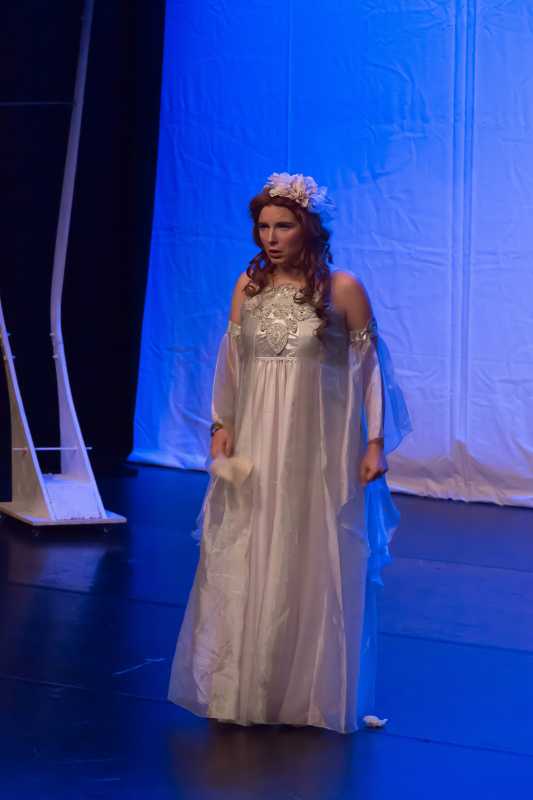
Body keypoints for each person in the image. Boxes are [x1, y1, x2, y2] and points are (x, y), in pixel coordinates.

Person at [168, 172, 411, 733]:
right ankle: (246, 687)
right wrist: (222, 423)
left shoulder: (342, 290)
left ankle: (309, 695)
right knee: (249, 549)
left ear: (309, 229)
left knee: (310, 550)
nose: (271, 238)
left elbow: (369, 371)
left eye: (284, 226)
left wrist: (375, 441)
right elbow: (232, 362)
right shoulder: (248, 287)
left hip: (317, 447)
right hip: (258, 442)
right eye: (264, 226)